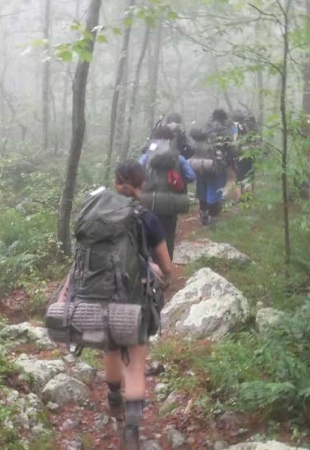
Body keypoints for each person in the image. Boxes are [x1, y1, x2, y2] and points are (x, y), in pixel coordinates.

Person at [104, 160, 174, 450]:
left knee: (110, 347)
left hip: (100, 295)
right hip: (135, 297)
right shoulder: (146, 218)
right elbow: (167, 266)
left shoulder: (96, 212)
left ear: (115, 181)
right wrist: (165, 278)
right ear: (142, 185)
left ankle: (113, 397)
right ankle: (132, 430)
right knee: (135, 362)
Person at [139, 126, 196, 259]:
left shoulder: (146, 157)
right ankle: (166, 267)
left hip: (148, 203)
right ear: (171, 140)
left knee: (148, 234)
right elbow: (191, 176)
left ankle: (150, 267)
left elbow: (136, 174)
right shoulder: (179, 158)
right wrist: (178, 180)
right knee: (168, 235)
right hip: (171, 204)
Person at [192, 109, 236, 225]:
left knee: (202, 190)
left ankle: (203, 215)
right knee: (214, 190)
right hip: (215, 165)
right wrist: (231, 164)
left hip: (198, 163)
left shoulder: (204, 128)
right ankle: (212, 218)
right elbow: (231, 150)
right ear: (224, 118)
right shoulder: (224, 131)